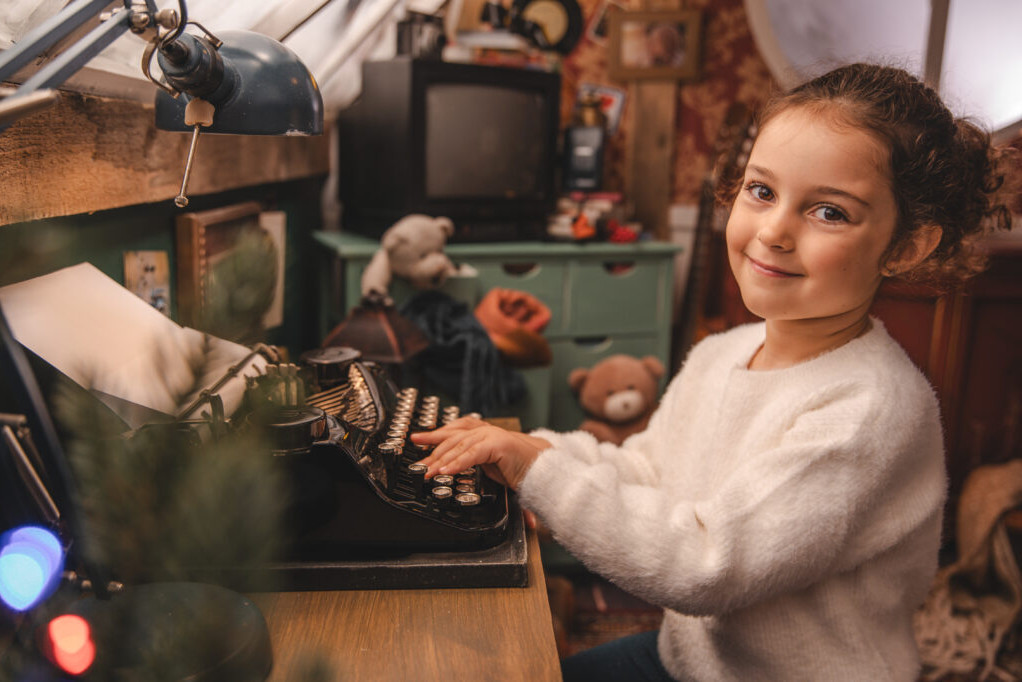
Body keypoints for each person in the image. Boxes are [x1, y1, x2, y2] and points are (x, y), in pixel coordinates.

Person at [412, 63, 1015, 681]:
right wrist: (534, 449)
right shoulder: (722, 353)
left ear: (906, 245)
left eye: (829, 212)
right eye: (762, 190)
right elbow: (648, 469)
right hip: (691, 662)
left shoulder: (869, 411)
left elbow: (706, 565)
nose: (774, 230)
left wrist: (537, 473)